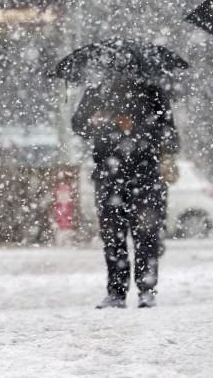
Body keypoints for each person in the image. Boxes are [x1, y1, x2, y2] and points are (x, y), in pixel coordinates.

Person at [73, 76, 179, 309]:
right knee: (112, 236)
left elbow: (171, 137)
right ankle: (116, 291)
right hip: (108, 175)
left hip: (145, 176)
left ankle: (146, 288)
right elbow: (78, 124)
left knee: (146, 235)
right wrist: (96, 122)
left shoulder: (152, 92)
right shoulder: (96, 90)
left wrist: (136, 128)